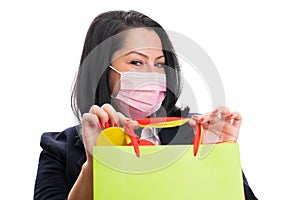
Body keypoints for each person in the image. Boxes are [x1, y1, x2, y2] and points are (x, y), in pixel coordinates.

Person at [34, 10, 257, 200]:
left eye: (160, 64)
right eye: (137, 62)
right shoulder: (58, 149)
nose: (152, 75)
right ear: (102, 70)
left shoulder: (196, 131)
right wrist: (95, 163)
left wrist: (217, 156)